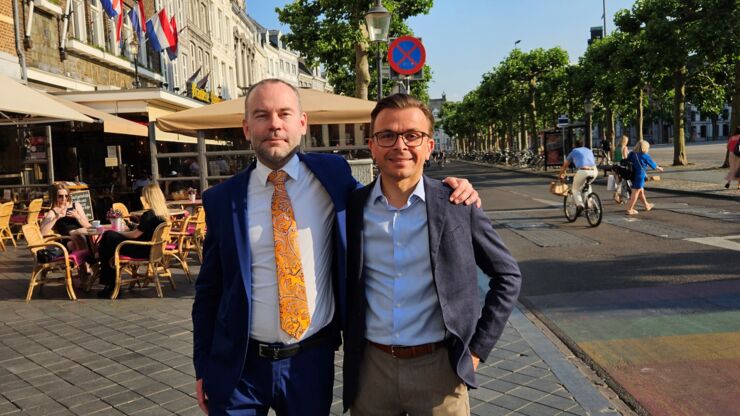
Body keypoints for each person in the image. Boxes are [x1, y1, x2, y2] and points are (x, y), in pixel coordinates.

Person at [191, 79, 479, 416]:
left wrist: (447, 189)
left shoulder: (333, 176)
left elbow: (387, 192)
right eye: (261, 115)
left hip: (310, 363)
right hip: (240, 368)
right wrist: (201, 367)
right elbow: (208, 293)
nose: (274, 124)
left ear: (302, 123)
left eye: (284, 113)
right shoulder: (222, 200)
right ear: (246, 127)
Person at [342, 94, 522, 415]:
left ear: (429, 146)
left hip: (440, 371)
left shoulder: (457, 204)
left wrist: (477, 351)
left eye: (412, 135)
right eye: (387, 135)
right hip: (371, 371)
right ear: (372, 145)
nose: (400, 145)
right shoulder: (352, 208)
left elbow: (507, 276)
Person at [95, 183, 168, 298]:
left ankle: (110, 282)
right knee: (108, 244)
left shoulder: (148, 215)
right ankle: (109, 281)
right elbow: (143, 230)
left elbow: (135, 235)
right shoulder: (161, 214)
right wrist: (132, 225)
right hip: (149, 248)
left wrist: (119, 233)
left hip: (139, 248)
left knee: (108, 236)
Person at [40, 183, 90, 252]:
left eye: (66, 196)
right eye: (60, 196)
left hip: (82, 234)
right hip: (68, 238)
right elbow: (42, 232)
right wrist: (56, 218)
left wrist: (78, 217)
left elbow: (88, 226)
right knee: (74, 241)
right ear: (56, 197)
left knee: (90, 237)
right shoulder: (53, 212)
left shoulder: (76, 205)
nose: (64, 199)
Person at [558, 139, 598, 214]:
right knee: (587, 185)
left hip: (583, 171)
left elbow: (565, 166)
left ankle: (580, 205)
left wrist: (560, 175)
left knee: (575, 189)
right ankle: (590, 202)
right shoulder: (589, 150)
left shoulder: (574, 151)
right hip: (594, 171)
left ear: (574, 145)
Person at [625, 140, 663, 215]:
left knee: (640, 191)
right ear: (645, 148)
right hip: (640, 175)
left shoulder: (632, 154)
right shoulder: (644, 155)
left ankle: (647, 205)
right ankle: (630, 209)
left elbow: (627, 161)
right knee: (636, 192)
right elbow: (653, 165)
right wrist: (659, 168)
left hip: (632, 175)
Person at [613, 135, 631, 203]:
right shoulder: (624, 148)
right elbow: (625, 158)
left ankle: (619, 198)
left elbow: (614, 158)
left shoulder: (617, 148)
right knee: (623, 183)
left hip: (615, 166)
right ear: (625, 141)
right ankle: (617, 194)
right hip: (622, 166)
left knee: (618, 182)